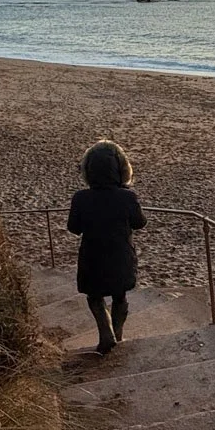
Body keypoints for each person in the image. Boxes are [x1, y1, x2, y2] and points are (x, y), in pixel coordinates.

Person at [67, 140, 146, 354]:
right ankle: (117, 334)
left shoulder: (81, 198)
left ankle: (106, 332)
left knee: (94, 296)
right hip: (121, 256)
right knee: (120, 296)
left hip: (92, 256)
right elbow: (140, 223)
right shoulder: (127, 196)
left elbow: (73, 227)